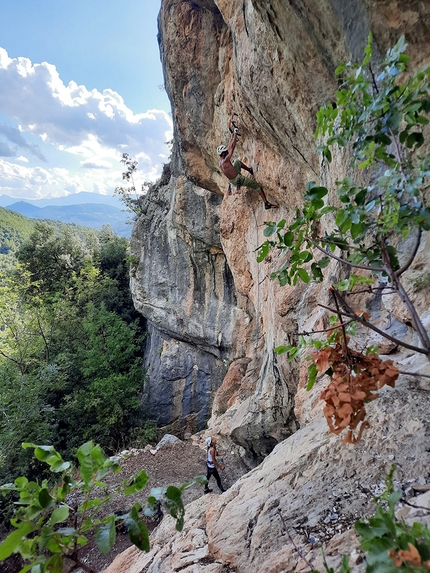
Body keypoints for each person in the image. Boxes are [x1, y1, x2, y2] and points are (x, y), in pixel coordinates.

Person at [217, 129, 278, 209]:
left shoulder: (221, 161)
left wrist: (232, 136)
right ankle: (266, 203)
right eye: (225, 152)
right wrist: (235, 133)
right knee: (257, 186)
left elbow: (229, 147)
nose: (227, 152)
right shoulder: (226, 160)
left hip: (234, 178)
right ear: (223, 153)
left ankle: (249, 170)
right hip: (239, 179)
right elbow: (232, 147)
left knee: (237, 162)